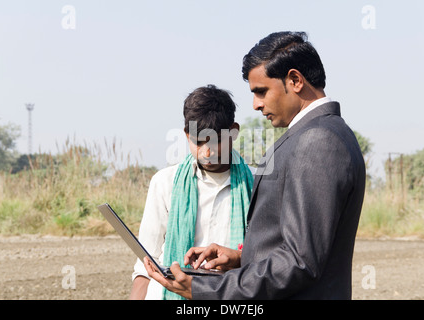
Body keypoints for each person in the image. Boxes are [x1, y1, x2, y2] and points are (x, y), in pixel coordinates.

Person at [144, 31, 366, 299]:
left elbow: (300, 262)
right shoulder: (323, 133)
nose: (256, 104)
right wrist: (242, 258)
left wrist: (205, 288)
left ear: (295, 80)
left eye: (261, 91)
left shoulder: (317, 141)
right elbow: (299, 249)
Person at [129, 84, 255, 300]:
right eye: (198, 142)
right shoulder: (164, 182)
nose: (207, 152)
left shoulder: (258, 184)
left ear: (233, 132)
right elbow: (146, 262)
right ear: (187, 135)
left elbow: (271, 260)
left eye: (216, 141)